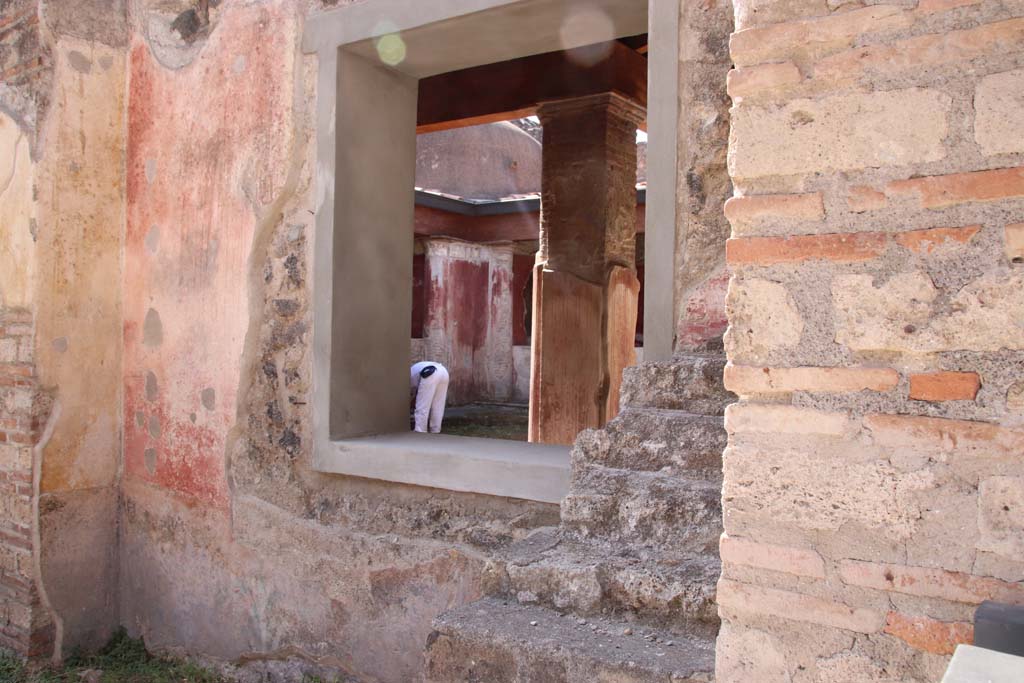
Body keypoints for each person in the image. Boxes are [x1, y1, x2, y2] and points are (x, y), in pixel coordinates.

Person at [410, 361, 449, 433]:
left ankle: (420, 431)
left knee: (422, 406)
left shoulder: (408, 377)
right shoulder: (414, 369)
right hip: (444, 372)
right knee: (438, 406)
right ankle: (435, 431)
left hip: (429, 372)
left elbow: (414, 398)